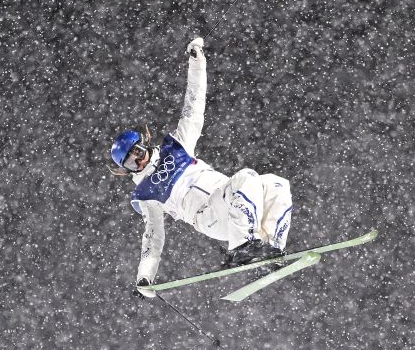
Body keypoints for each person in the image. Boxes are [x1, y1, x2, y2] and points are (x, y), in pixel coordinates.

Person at [109, 37, 293, 298]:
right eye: (131, 162)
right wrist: (145, 276)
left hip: (236, 204)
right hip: (209, 216)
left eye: (137, 152)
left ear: (144, 143)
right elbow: (152, 236)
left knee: (277, 184)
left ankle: (270, 249)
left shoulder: (177, 146)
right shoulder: (146, 193)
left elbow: (193, 106)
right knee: (246, 177)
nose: (138, 161)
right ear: (126, 169)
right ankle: (242, 248)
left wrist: (197, 63)